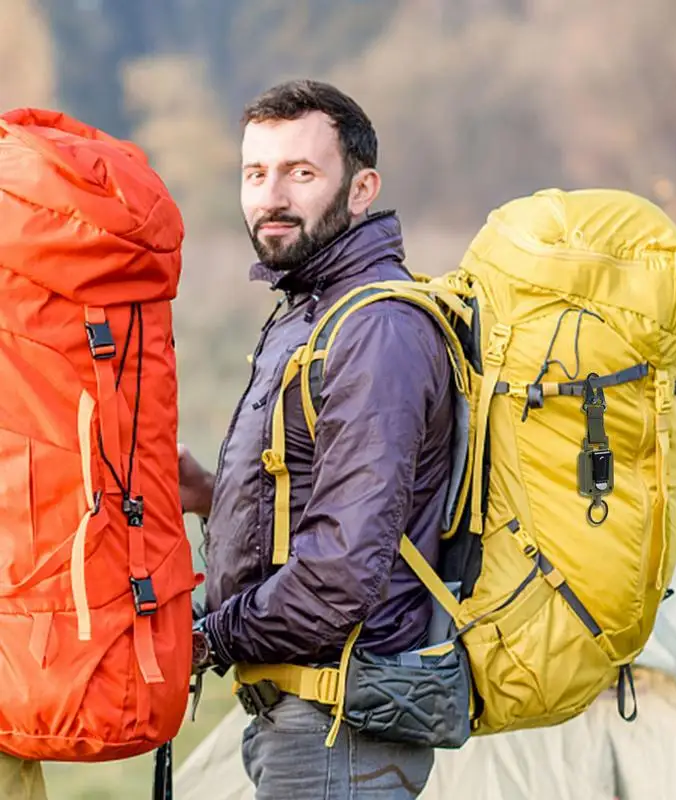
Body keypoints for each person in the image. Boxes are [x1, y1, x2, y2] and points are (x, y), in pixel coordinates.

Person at [179, 79, 455, 799]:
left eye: (300, 173)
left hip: (341, 728)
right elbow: (316, 498)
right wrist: (213, 496)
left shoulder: (375, 330)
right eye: (255, 173)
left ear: (362, 189)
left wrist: (207, 638)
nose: (271, 197)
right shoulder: (311, 310)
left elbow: (341, 572)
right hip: (300, 719)